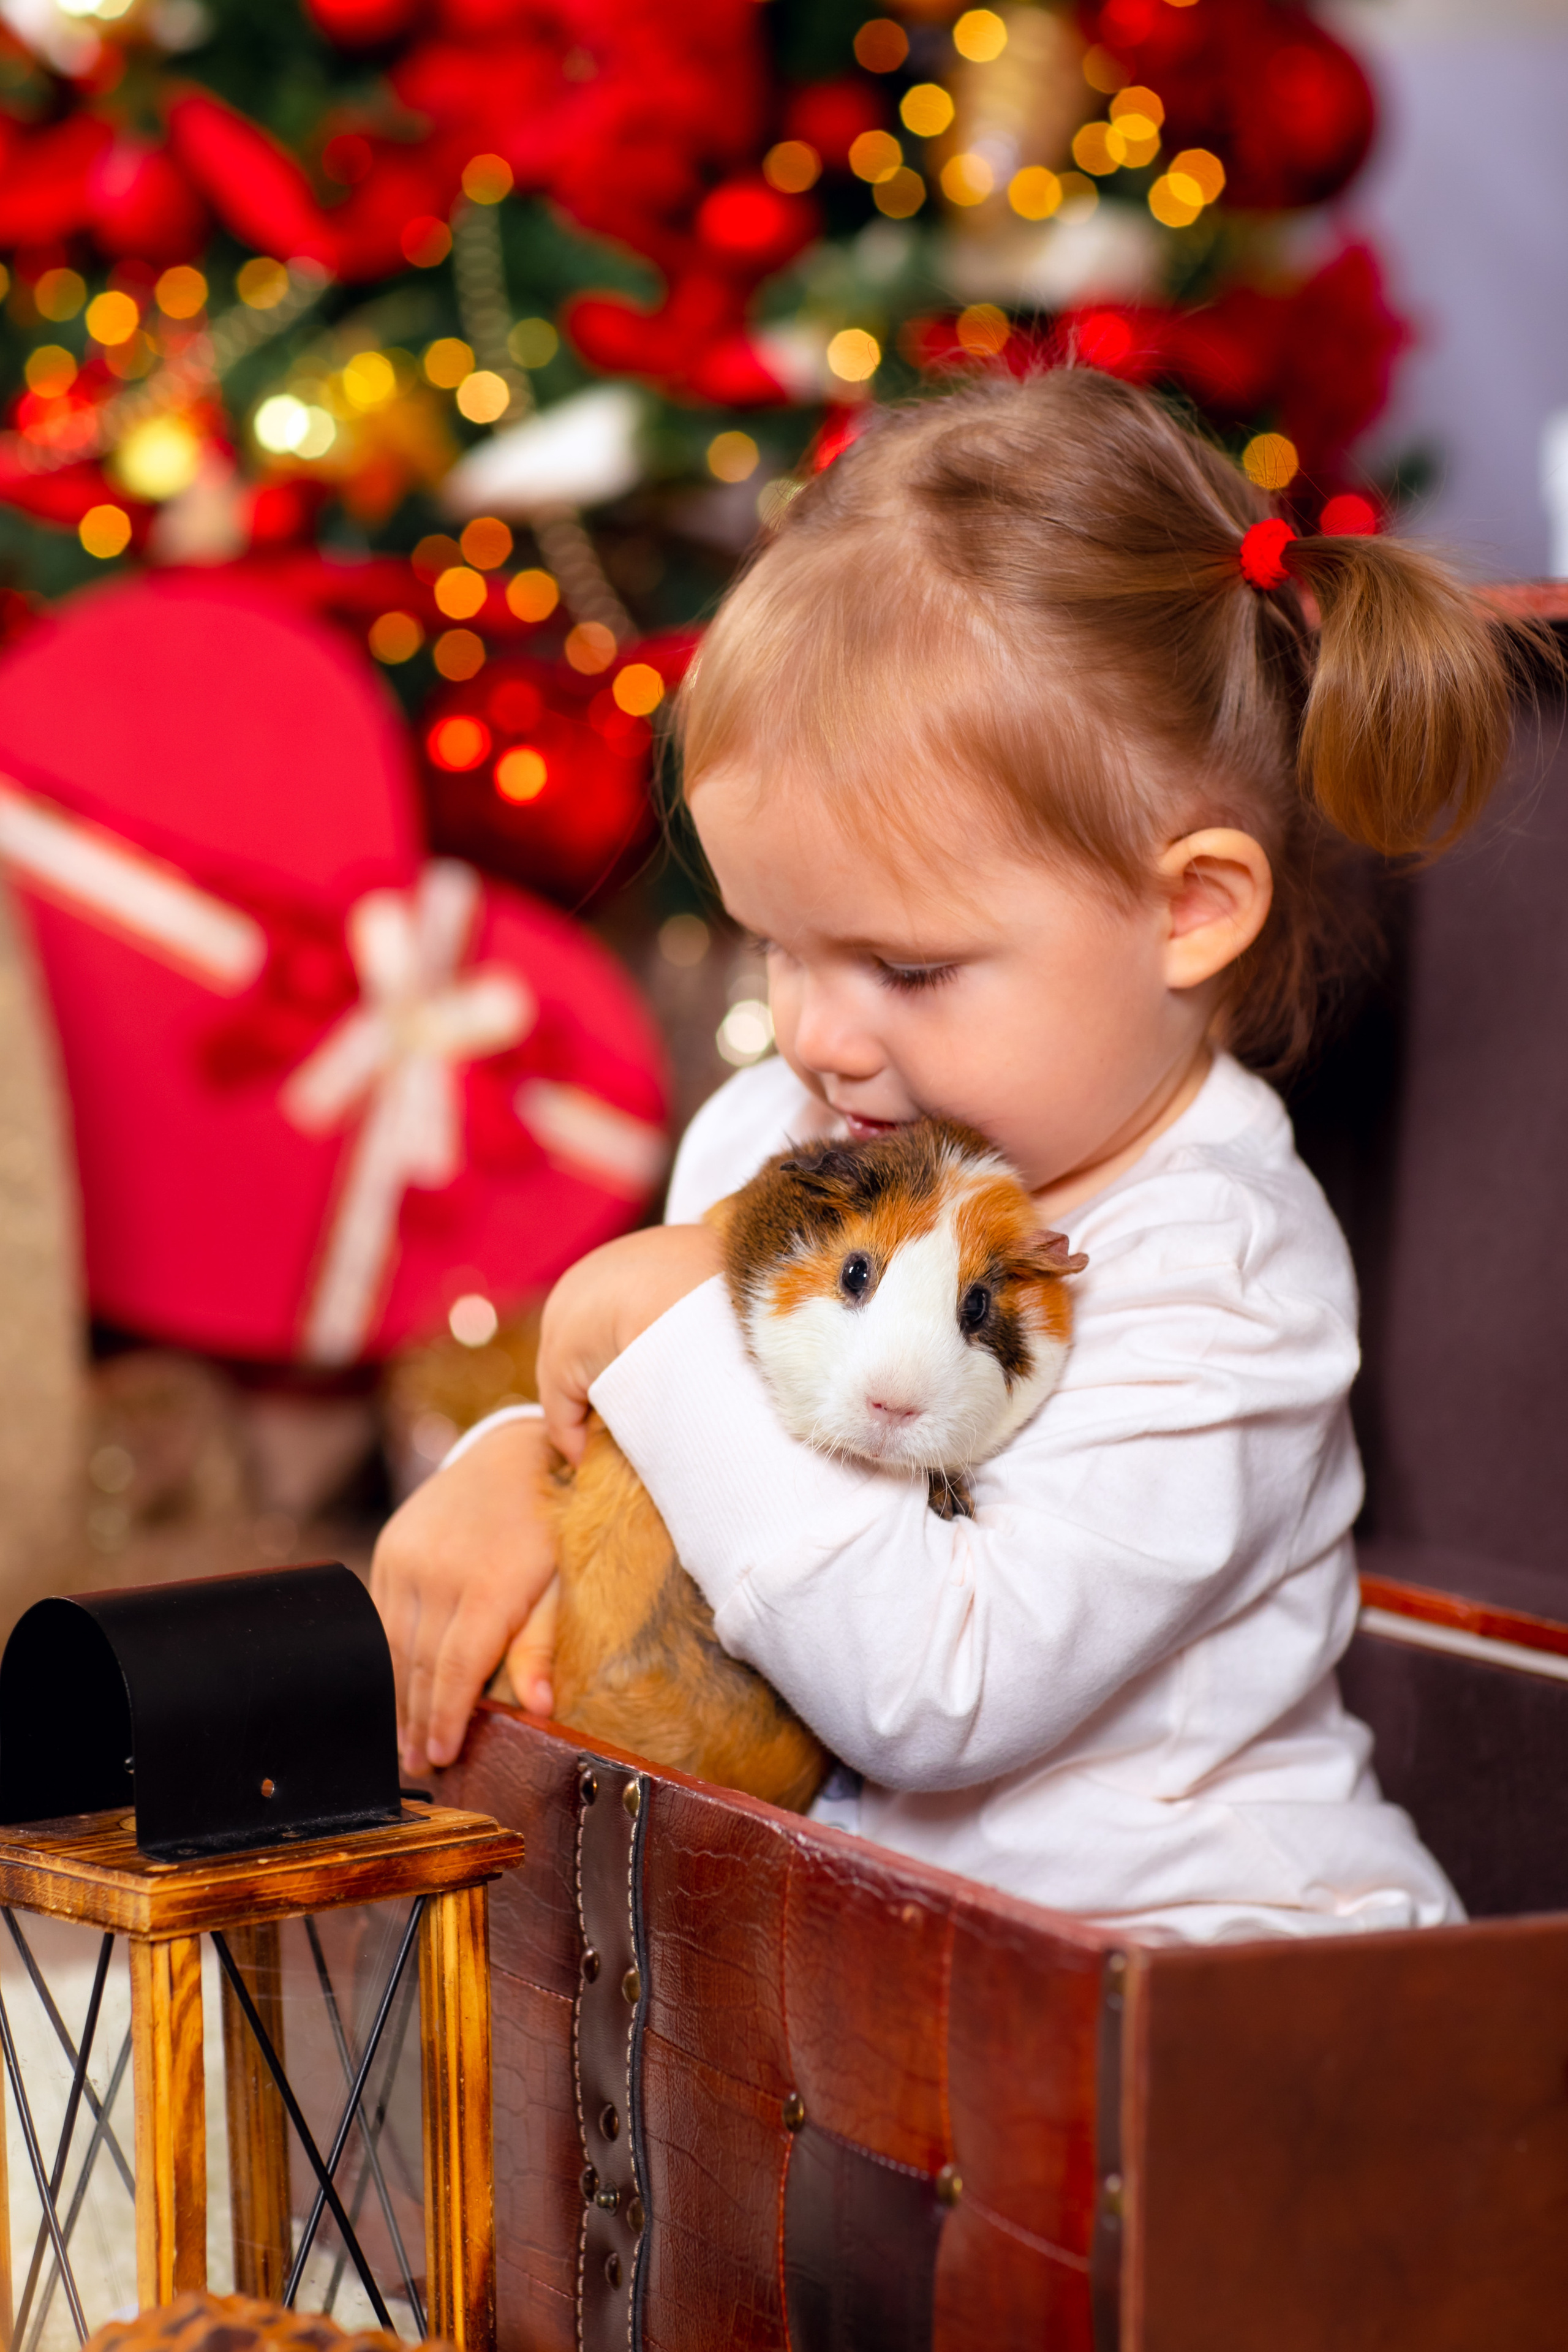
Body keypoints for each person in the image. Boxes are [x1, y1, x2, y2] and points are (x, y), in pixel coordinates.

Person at [374, 364, 1526, 1941]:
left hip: (1205, 1982)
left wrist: (661, 1336)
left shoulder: (1222, 1274)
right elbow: (677, 1456)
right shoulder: (801, 1125)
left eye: (905, 970)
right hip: (870, 1975)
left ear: (1186, 909)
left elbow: (932, 1691)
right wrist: (520, 1455)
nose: (817, 1035)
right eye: (776, 945)